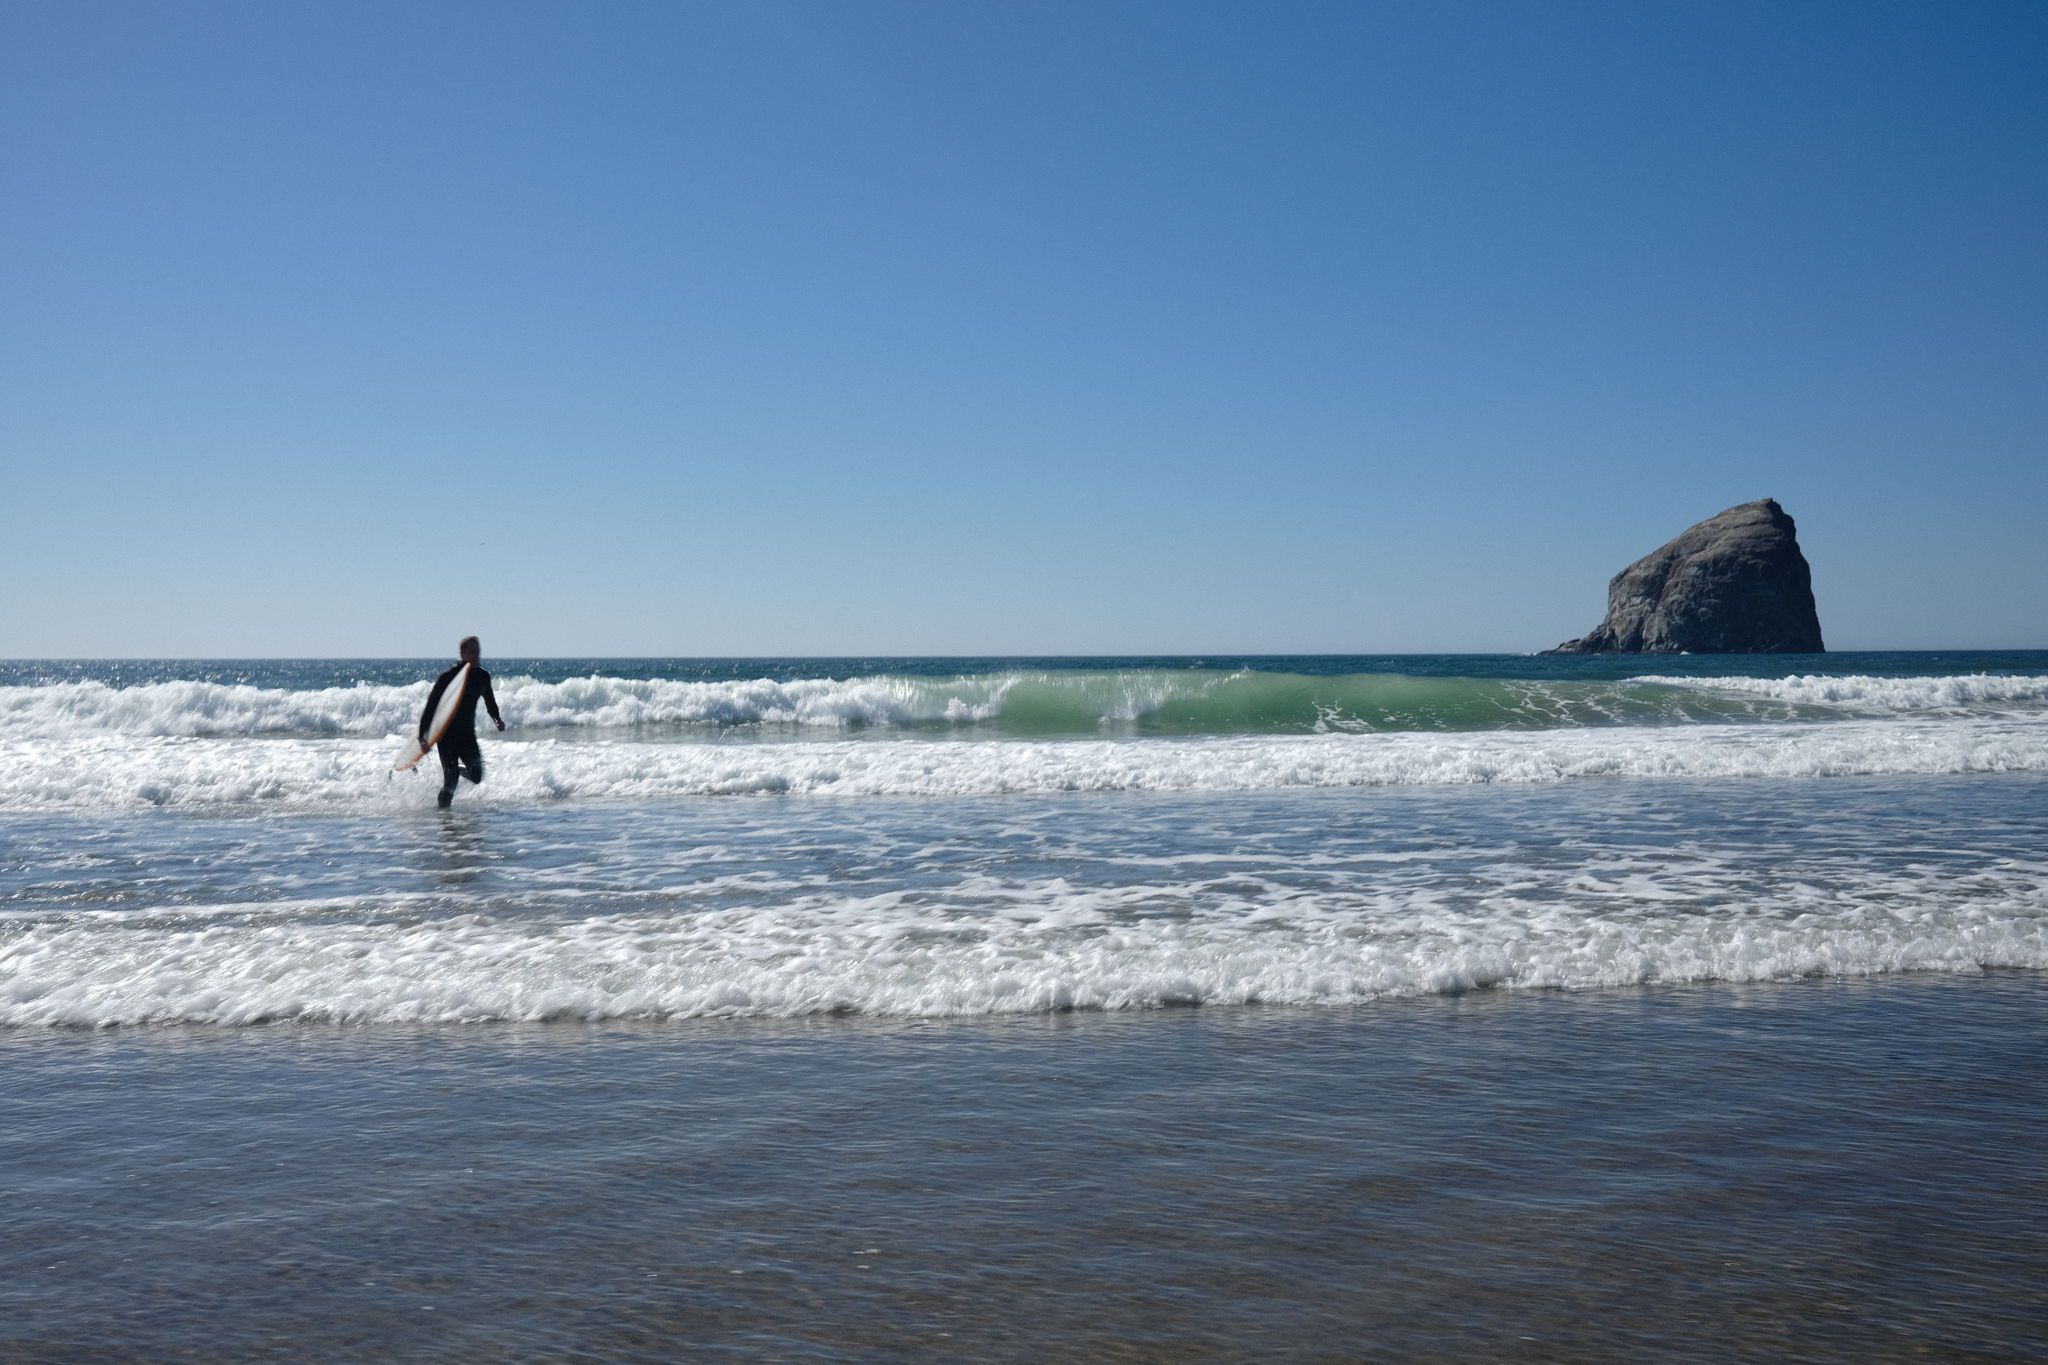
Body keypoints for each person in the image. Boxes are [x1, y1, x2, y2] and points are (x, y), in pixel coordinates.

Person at [418, 636, 505, 809]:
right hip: (446, 736)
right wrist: (422, 737)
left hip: (467, 735)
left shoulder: (482, 676)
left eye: (478, 651)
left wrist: (497, 719)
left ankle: (455, 771)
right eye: (472, 652)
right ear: (462, 653)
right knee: (450, 782)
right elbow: (431, 707)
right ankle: (444, 818)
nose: (476, 655)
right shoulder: (448, 676)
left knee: (476, 776)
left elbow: (490, 701)